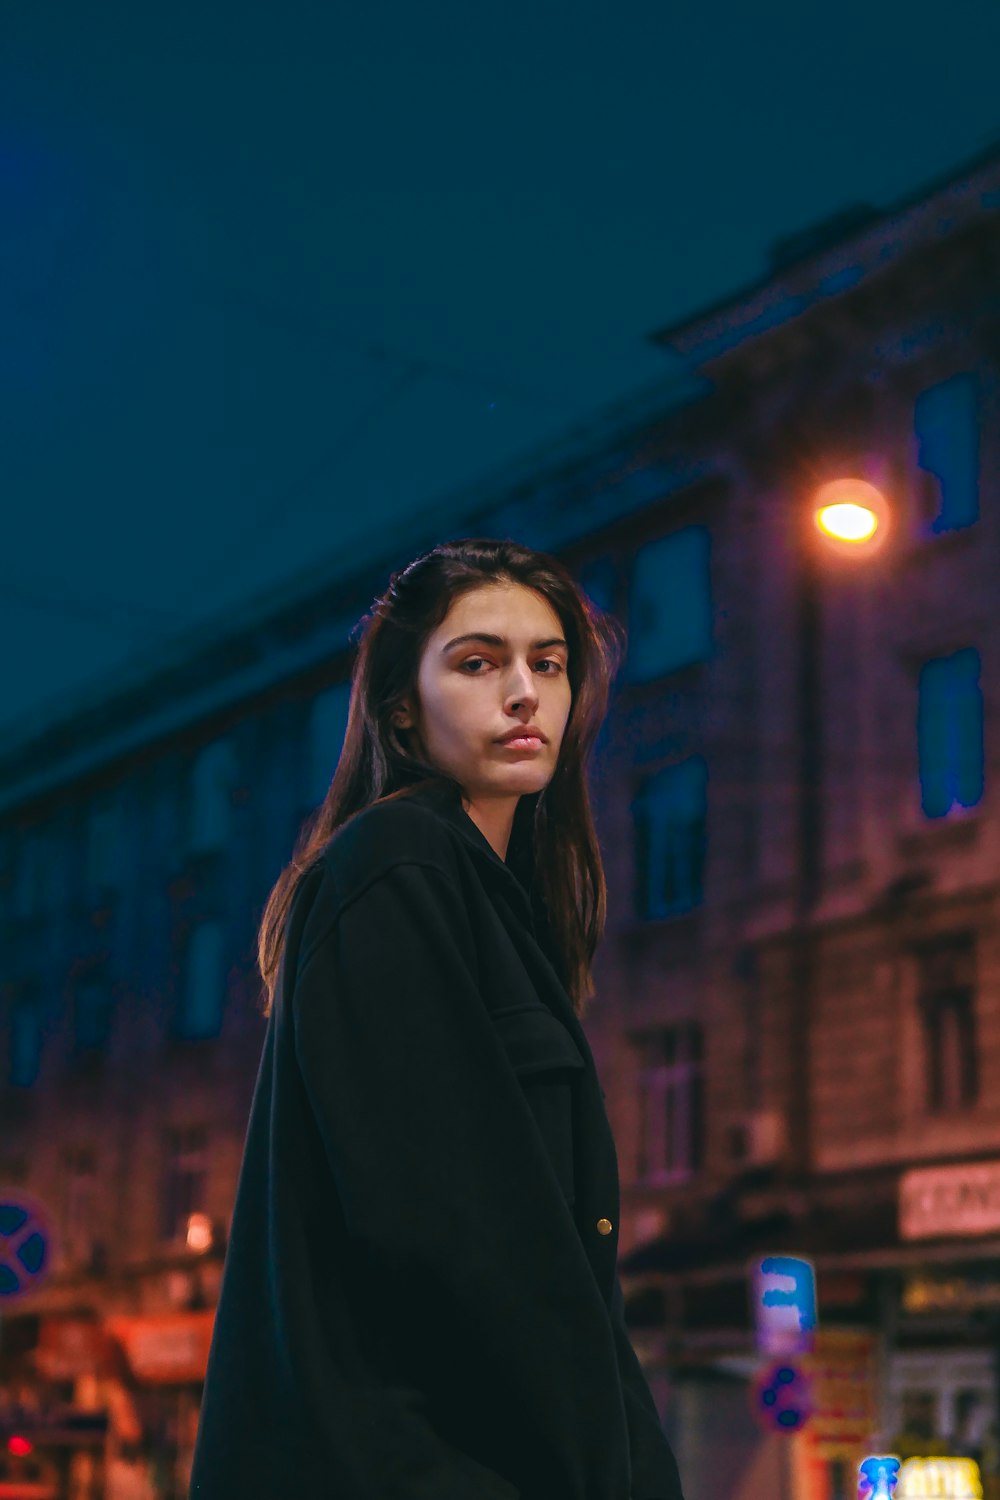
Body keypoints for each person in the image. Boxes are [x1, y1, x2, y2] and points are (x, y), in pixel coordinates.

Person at [188, 536, 686, 1499]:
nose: (524, 691)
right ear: (403, 711)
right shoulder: (396, 865)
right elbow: (450, 1232)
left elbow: (562, 1267)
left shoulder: (492, 898)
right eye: (477, 662)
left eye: (548, 663)